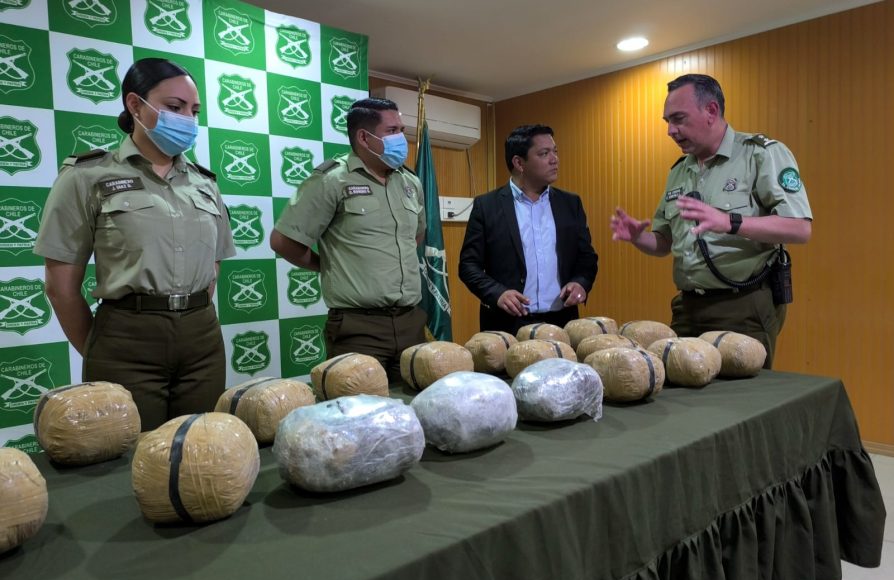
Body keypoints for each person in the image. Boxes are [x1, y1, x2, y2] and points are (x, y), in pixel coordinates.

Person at [34, 57, 235, 431]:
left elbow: (214, 265)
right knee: (131, 462)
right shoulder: (88, 176)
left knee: (201, 451)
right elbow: (60, 288)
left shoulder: (205, 183)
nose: (187, 120)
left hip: (202, 339)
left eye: (194, 111)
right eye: (174, 108)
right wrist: (102, 350)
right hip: (126, 339)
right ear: (134, 105)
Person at [610, 73, 812, 368]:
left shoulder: (759, 154)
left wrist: (729, 221)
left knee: (740, 405)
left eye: (678, 119)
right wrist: (639, 238)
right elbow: (665, 243)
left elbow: (800, 228)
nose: (670, 130)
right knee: (683, 402)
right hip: (688, 307)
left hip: (743, 307)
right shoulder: (679, 171)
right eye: (666, 121)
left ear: (711, 111)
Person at [270, 97, 426, 381]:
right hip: (358, 327)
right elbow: (283, 241)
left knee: (414, 414)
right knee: (360, 416)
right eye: (392, 131)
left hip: (410, 321)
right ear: (364, 138)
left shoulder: (410, 182)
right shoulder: (332, 180)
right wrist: (329, 265)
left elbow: (415, 236)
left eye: (402, 130)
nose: (401, 138)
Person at [458, 124, 598, 335]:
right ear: (519, 163)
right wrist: (498, 293)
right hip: (507, 326)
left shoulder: (571, 204)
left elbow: (587, 258)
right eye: (544, 153)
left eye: (555, 151)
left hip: (561, 324)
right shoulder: (487, 206)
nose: (554, 159)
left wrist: (580, 283)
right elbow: (468, 266)